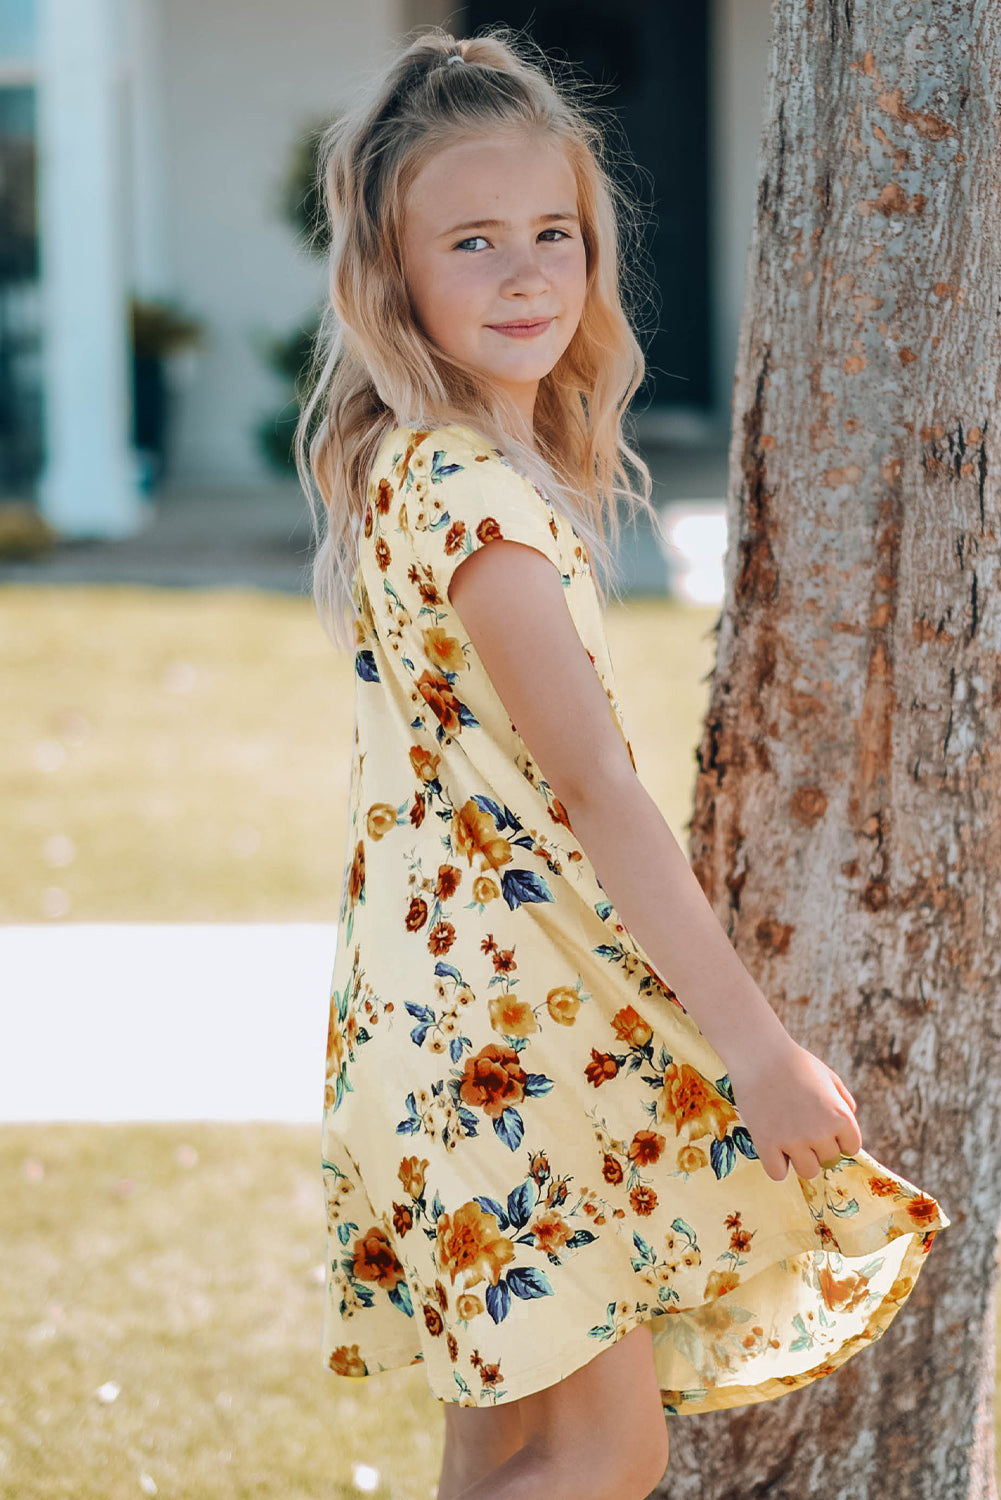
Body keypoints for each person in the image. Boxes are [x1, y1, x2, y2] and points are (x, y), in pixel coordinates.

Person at [294, 26, 950, 1500]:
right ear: (393, 275)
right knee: (601, 1445)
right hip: (503, 1031)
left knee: (506, 1442)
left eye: (553, 234)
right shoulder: (474, 502)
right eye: (472, 242)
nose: (526, 273)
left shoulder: (414, 469)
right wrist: (759, 1050)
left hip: (437, 1019)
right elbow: (594, 795)